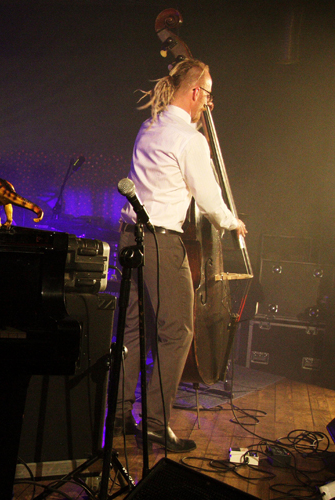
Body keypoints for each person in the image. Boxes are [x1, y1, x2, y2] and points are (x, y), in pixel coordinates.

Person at [115, 58, 248, 452]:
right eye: (207, 95)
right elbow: (208, 199)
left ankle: (118, 414)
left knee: (133, 329)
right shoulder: (190, 139)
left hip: (129, 236)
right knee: (177, 332)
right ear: (194, 92)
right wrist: (232, 222)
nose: (209, 103)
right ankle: (155, 424)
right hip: (160, 241)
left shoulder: (150, 125)